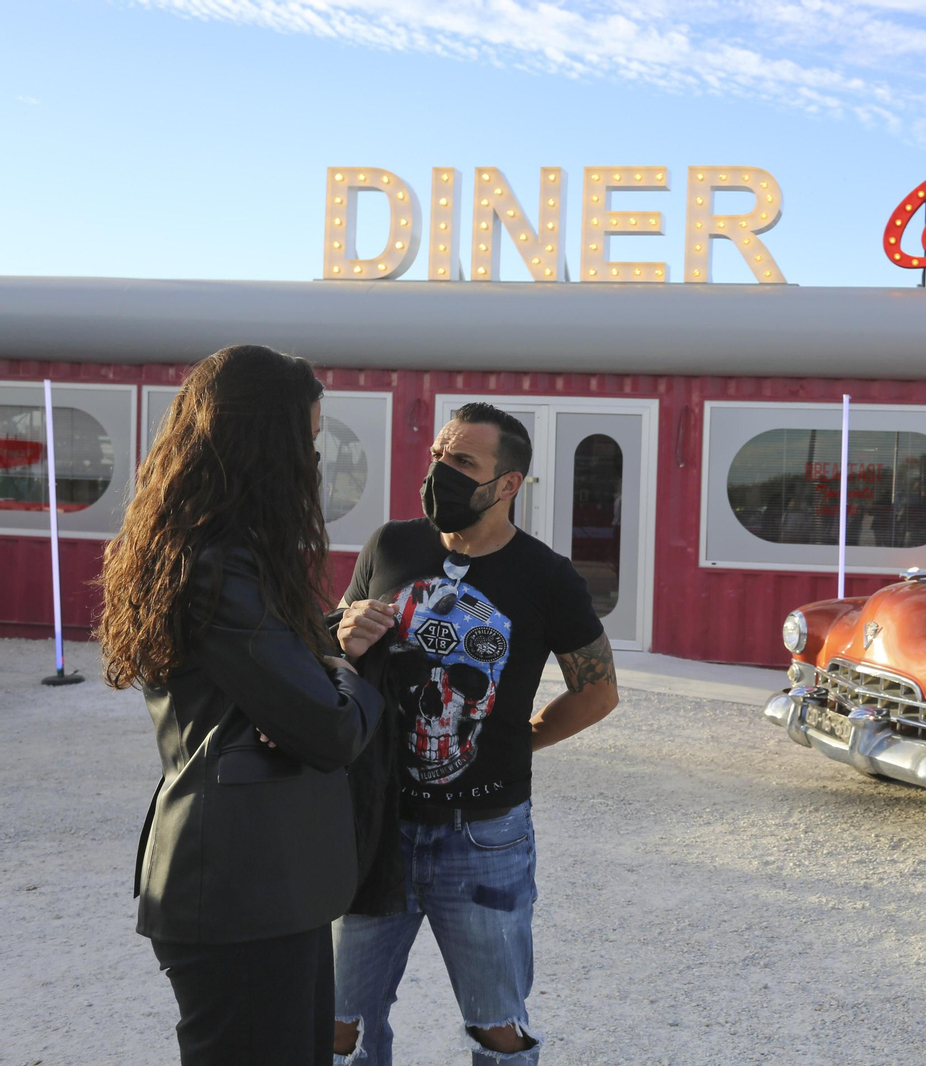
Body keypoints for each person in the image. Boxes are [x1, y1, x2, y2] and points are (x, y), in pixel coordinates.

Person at [98, 345, 384, 1065]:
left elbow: (276, 678)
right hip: (242, 891)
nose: (315, 461)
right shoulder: (221, 566)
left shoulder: (209, 549)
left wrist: (319, 651)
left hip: (260, 885)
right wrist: (348, 666)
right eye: (309, 441)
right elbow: (329, 728)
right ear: (265, 446)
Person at [331, 402, 620, 1066]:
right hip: (378, 825)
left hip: (485, 838)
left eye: (463, 462)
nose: (441, 472)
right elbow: (340, 630)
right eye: (438, 455)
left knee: (499, 1026)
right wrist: (343, 632)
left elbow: (598, 690)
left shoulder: (547, 578)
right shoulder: (391, 545)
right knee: (338, 1022)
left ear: (508, 484)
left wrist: (522, 740)